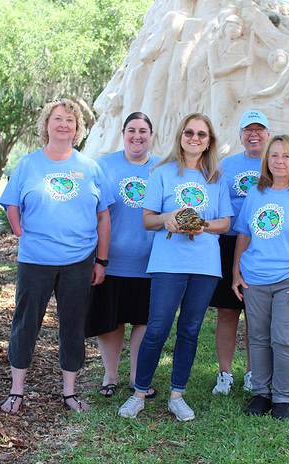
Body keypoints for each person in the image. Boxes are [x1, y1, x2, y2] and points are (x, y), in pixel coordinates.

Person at [0, 99, 112, 414]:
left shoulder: (90, 168)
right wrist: (19, 230)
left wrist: (101, 260)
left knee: (73, 325)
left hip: (79, 260)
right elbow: (10, 203)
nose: (63, 125)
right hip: (36, 259)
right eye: (58, 119)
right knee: (26, 323)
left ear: (77, 130)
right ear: (46, 125)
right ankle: (17, 390)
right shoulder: (28, 164)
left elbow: (103, 216)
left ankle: (70, 393)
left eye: (70, 121)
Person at [118, 113, 233, 421]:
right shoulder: (162, 173)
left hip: (205, 265)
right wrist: (168, 218)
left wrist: (201, 224)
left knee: (190, 329)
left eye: (201, 135)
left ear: (209, 142)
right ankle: (139, 392)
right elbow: (147, 219)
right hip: (169, 262)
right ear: (180, 136)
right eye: (189, 133)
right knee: (157, 327)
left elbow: (225, 223)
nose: (194, 139)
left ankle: (177, 394)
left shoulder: (216, 179)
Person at [232, 135, 289, 420]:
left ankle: (283, 397)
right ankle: (262, 393)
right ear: (266, 160)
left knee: (284, 338)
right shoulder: (256, 193)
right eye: (274, 156)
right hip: (255, 278)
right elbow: (244, 234)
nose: (279, 161)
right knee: (258, 337)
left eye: (286, 156)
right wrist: (236, 272)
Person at [85, 112, 160, 398]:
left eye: (143, 130)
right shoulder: (104, 166)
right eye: (131, 130)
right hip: (111, 259)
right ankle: (110, 375)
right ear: (123, 133)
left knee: (143, 320)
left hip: (151, 261)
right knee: (111, 320)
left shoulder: (162, 168)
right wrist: (97, 258)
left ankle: (136, 377)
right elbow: (95, 213)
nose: (137, 136)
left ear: (151, 135)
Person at [210, 110, 270, 395]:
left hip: (263, 245)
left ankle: (252, 372)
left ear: (268, 134)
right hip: (229, 243)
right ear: (241, 135)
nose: (254, 134)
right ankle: (224, 373)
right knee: (227, 311)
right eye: (248, 129)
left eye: (259, 129)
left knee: (256, 313)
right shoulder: (226, 165)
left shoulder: (276, 163)